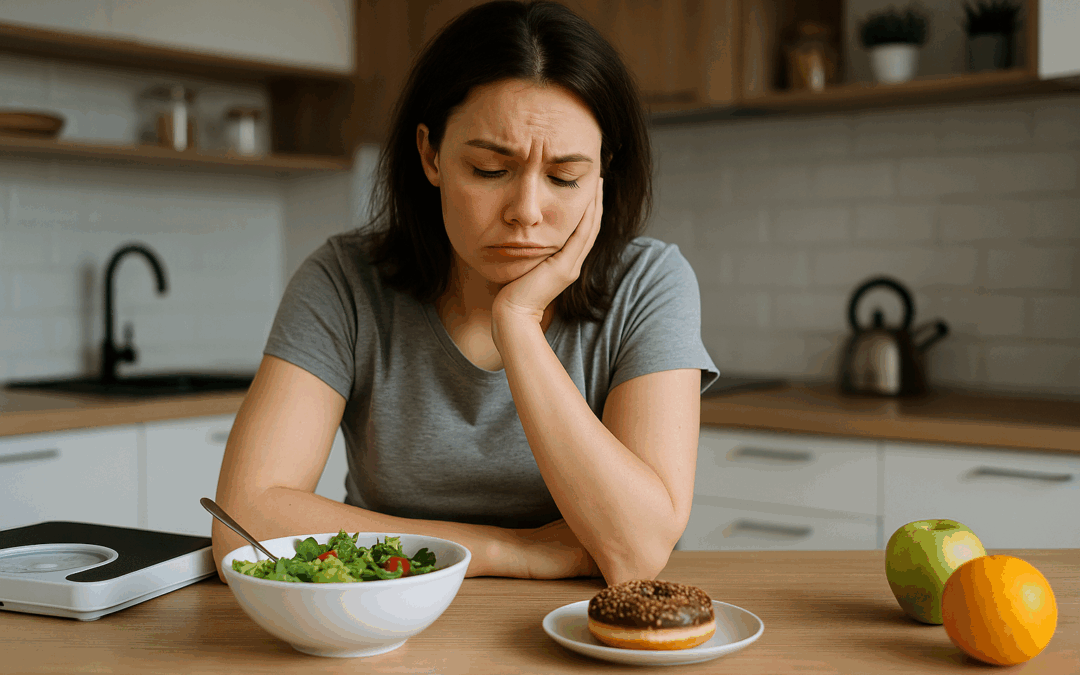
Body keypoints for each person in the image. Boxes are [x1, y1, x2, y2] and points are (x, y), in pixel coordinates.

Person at [211, 0, 718, 587]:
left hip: (578, 631)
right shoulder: (344, 280)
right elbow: (241, 520)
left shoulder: (649, 282)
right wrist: (514, 551)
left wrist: (519, 322)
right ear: (430, 154)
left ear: (604, 169)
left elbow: (638, 554)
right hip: (380, 619)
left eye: (565, 177)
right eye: (488, 169)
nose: (526, 212)